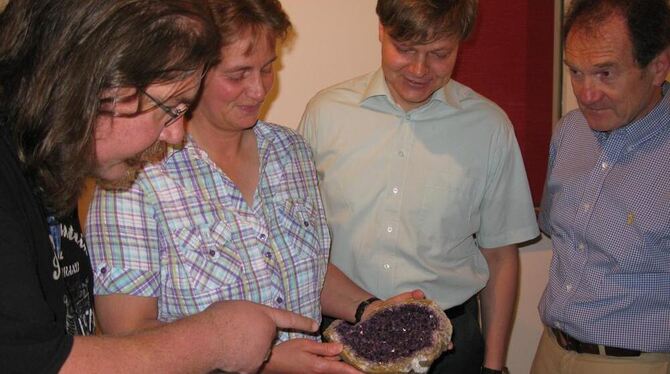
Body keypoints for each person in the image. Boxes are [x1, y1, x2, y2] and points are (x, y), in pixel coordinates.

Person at [84, 1, 421, 373]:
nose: (258, 89)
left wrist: (369, 308)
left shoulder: (290, 151)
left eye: (267, 68)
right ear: (192, 73)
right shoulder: (134, 174)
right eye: (238, 74)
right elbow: (127, 338)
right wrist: (268, 362)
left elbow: (305, 271)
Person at [0, 0, 320, 373]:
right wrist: (215, 339)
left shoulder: (46, 165)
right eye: (170, 107)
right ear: (92, 81)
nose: (175, 133)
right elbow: (38, 362)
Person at [298, 1, 539, 373]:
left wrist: (494, 366)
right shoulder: (326, 113)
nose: (419, 69)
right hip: (342, 338)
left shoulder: (489, 128)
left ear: (460, 43)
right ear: (381, 30)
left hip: (451, 346)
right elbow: (300, 244)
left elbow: (500, 257)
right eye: (405, 49)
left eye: (439, 54)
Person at [531, 0, 670, 373]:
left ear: (658, 66)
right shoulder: (569, 131)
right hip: (550, 351)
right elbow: (559, 236)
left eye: (605, 74)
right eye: (576, 72)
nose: (587, 93)